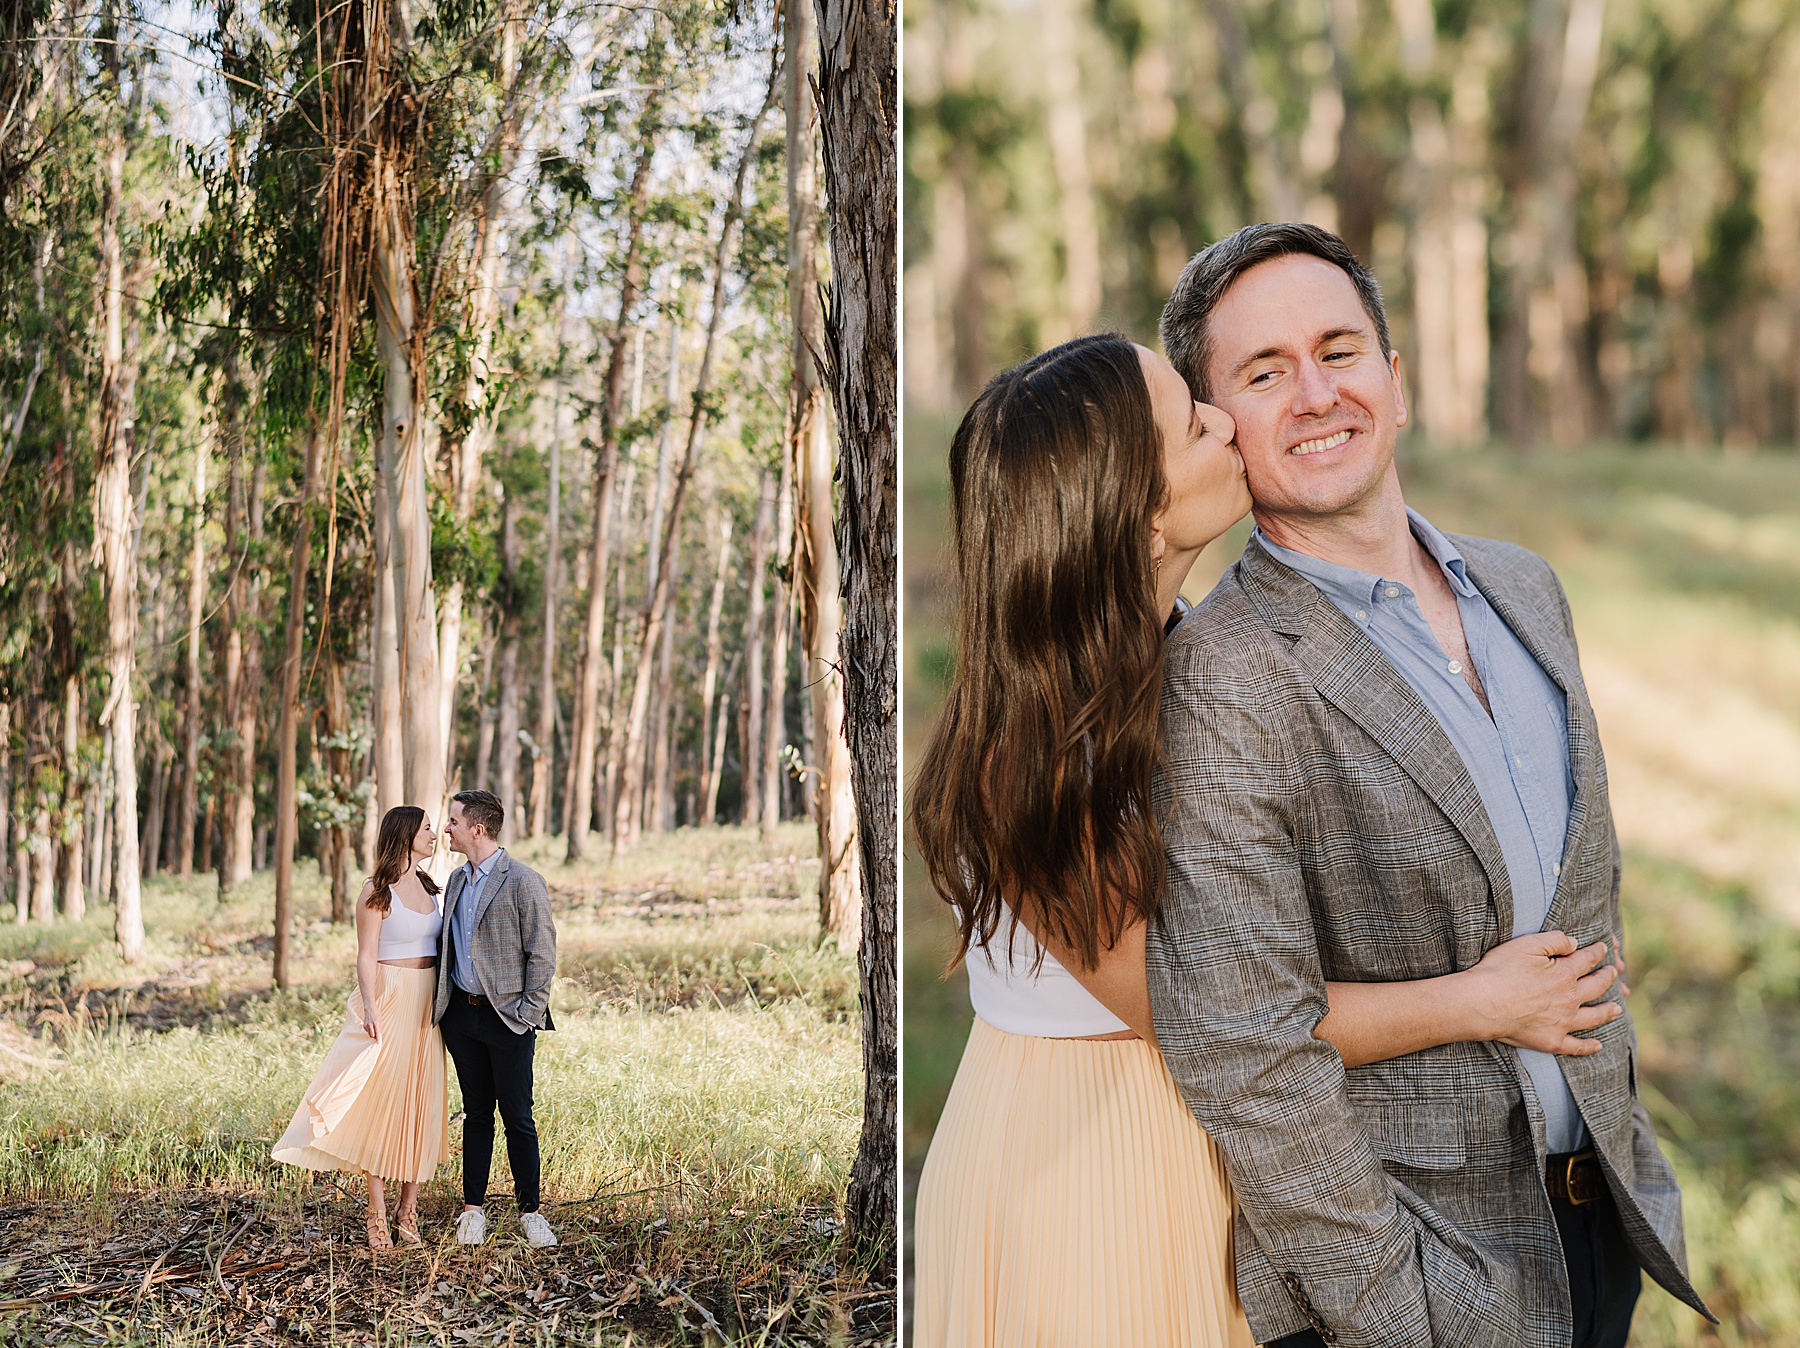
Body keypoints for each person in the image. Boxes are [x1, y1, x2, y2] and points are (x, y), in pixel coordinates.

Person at [910, 333, 1629, 1348]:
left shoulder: (1184, 655)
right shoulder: (1029, 764)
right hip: (1093, 1170)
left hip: (1229, 1144)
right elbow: (1217, 1020)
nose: (1225, 421)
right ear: (1140, 510)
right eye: (1193, 421)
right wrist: (1482, 1002)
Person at [1148, 221, 1714, 1348]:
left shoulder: (1523, 587)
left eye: (1339, 350)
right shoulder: (1219, 674)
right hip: (1407, 1275)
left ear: (1396, 383)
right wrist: (1401, 1308)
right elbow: (1250, 1051)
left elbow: (1581, 903)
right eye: (1264, 374)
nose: (1316, 393)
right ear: (1219, 426)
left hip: (1599, 1226)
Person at [273, 805, 449, 1250]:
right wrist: (370, 1006)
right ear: (406, 834)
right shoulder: (376, 892)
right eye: (427, 827)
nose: (434, 834)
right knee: (381, 1100)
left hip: (428, 1001)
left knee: (419, 1102)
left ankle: (407, 1210)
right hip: (390, 998)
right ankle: (376, 1211)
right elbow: (365, 954)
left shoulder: (432, 889)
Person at [435, 788, 558, 1248]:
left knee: (518, 1116)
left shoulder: (523, 880)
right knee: (475, 1115)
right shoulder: (456, 881)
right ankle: (473, 1211)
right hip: (461, 1021)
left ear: (477, 830)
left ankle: (531, 1212)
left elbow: (542, 953)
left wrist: (527, 1014)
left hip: (509, 1021)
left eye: (453, 821)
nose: (447, 828)